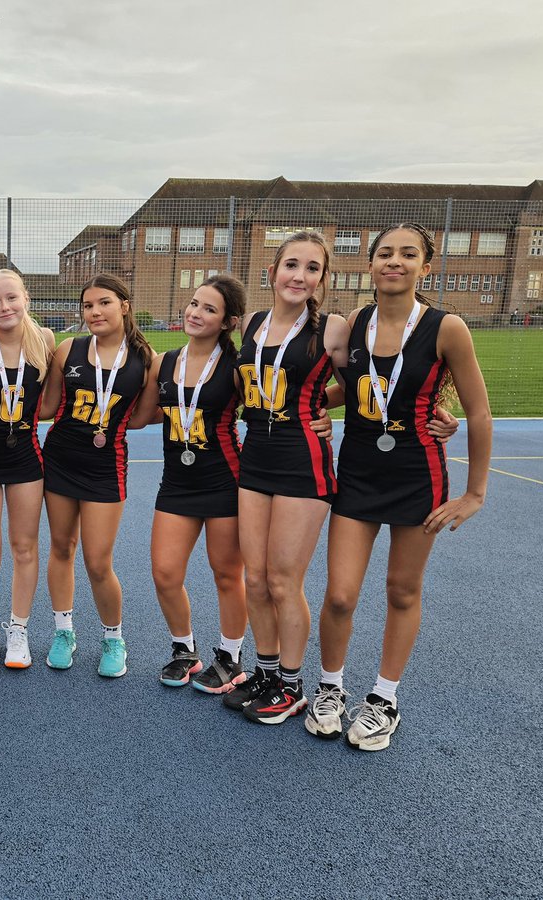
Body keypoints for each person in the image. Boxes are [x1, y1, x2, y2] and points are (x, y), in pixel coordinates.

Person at [306, 223, 491, 751]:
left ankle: (384, 699)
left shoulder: (446, 327)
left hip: (418, 474)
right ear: (369, 264)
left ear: (425, 267)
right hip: (359, 471)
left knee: (401, 590)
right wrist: (320, 407)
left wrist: (474, 493)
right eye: (385, 253)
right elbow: (357, 387)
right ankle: (331, 688)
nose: (395, 261)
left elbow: (477, 411)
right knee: (340, 595)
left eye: (408, 254)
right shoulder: (356, 323)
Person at [226, 231, 349, 725]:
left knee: (282, 579)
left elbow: (369, 381)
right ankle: (269, 672)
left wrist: (326, 407)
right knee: (254, 579)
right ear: (272, 272)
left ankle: (294, 685)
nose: (300, 275)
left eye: (312, 268)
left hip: (303, 461)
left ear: (322, 278)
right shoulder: (254, 323)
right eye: (291, 265)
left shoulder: (334, 328)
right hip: (255, 456)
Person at [130, 276, 252, 691]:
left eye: (209, 309)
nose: (195, 313)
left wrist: (320, 416)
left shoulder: (236, 367)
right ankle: (184, 650)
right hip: (177, 483)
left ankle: (231, 658)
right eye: (194, 304)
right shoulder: (165, 363)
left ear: (228, 322)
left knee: (226, 575)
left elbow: (282, 404)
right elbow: (139, 417)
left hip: (225, 482)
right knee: (165, 573)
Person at [39, 273, 151, 678]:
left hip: (106, 467)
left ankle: (113, 638)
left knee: (99, 561)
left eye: (104, 303)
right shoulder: (68, 349)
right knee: (61, 548)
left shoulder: (145, 359)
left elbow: (142, 416)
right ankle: (64, 631)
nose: (95, 312)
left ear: (124, 305)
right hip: (60, 460)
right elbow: (50, 405)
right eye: (88, 306)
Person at [0, 270, 53, 669]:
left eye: (11, 298)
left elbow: (51, 404)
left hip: (26, 460)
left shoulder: (46, 341)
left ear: (26, 298)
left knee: (24, 548)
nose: (5, 307)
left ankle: (18, 630)